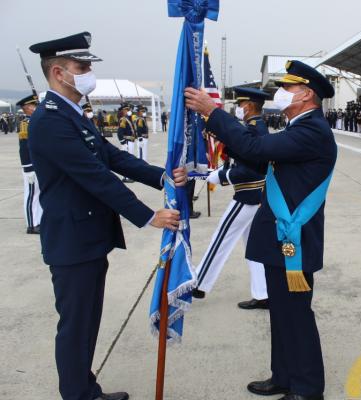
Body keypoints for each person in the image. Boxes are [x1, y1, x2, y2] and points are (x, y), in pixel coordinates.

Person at [27, 32, 187, 400]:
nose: (87, 74)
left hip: (86, 237)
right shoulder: (51, 120)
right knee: (76, 325)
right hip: (72, 241)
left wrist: (160, 176)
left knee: (85, 323)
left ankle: (86, 388)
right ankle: (78, 394)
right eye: (80, 67)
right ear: (57, 72)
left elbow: (112, 157)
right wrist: (148, 216)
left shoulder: (71, 114)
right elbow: (94, 176)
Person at [185, 60, 336, 400]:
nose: (281, 93)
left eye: (288, 87)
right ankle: (283, 376)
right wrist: (219, 134)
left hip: (292, 240)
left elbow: (257, 149)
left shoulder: (311, 130)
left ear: (307, 93)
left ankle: (308, 390)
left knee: (296, 316)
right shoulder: (299, 127)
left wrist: (215, 113)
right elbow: (255, 156)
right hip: (280, 235)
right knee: (282, 314)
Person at [192, 87, 270, 310]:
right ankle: (264, 293)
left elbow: (256, 170)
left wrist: (222, 176)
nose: (237, 108)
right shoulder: (254, 127)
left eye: (240, 104)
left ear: (249, 106)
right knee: (254, 247)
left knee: (221, 238)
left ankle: (197, 283)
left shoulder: (257, 129)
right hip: (254, 195)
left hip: (249, 194)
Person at [16, 94, 42, 234]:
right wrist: (28, 168)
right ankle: (31, 224)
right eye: (34, 106)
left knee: (38, 193)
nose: (36, 108)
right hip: (30, 166)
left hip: (38, 164)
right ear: (27, 108)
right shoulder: (26, 123)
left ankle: (38, 220)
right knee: (31, 194)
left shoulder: (36, 121)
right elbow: (24, 148)